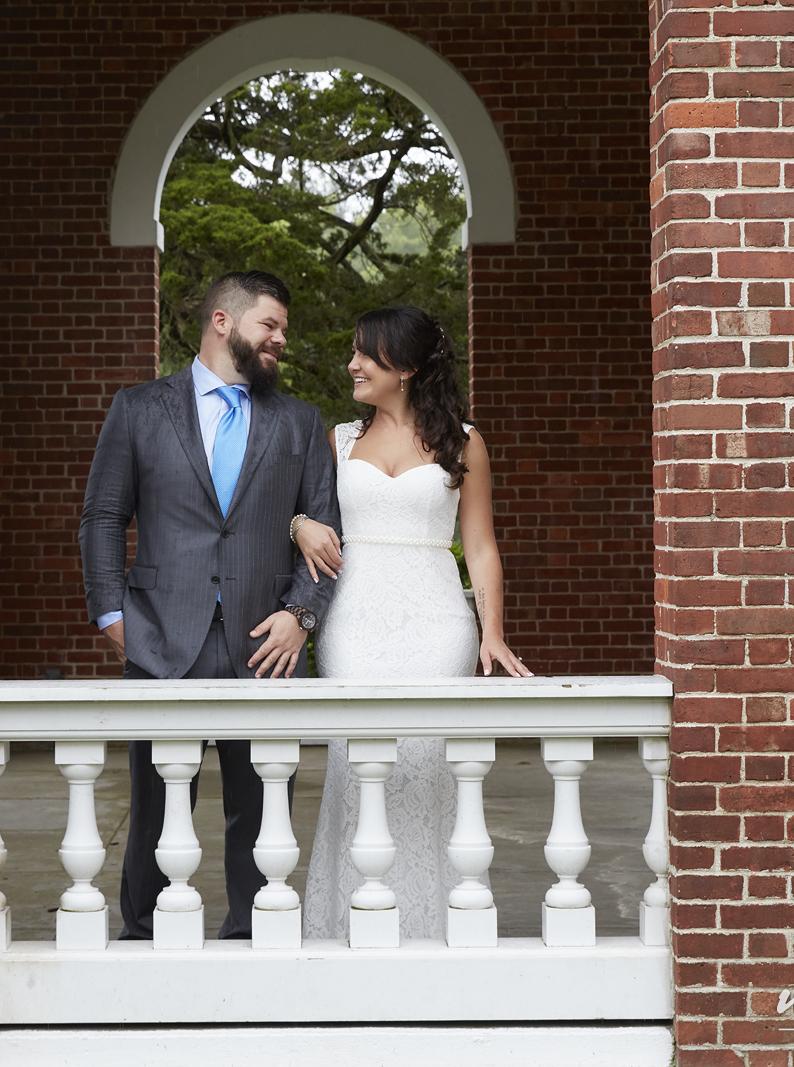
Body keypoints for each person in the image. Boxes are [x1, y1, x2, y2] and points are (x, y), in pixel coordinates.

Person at [79, 270, 340, 940]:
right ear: (223, 321)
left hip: (266, 643)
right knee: (155, 807)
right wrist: (112, 615)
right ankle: (144, 933)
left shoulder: (299, 422)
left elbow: (326, 533)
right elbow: (103, 516)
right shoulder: (139, 409)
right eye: (269, 325)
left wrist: (301, 616)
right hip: (160, 634)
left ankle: (255, 934)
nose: (281, 339)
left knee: (262, 810)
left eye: (283, 329)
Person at [292, 305, 529, 942]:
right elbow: (298, 515)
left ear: (407, 367)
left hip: (437, 624)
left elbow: (480, 546)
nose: (352, 364)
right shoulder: (339, 441)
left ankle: (435, 930)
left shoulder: (463, 442)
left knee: (429, 769)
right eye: (352, 352)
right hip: (353, 624)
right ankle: (352, 929)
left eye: (365, 353)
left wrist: (491, 630)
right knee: (357, 769)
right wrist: (300, 525)